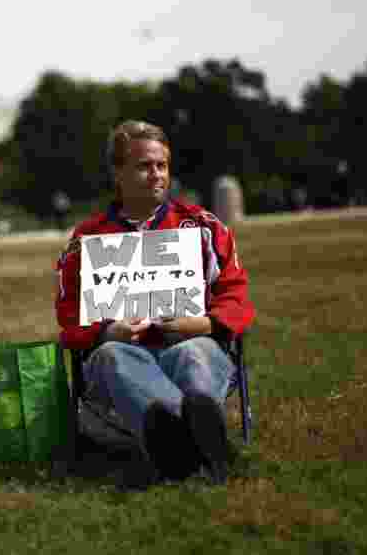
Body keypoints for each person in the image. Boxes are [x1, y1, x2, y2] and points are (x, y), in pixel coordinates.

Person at [54, 120, 255, 488]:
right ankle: (199, 442)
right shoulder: (87, 239)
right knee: (114, 355)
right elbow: (69, 320)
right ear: (118, 173)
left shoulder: (203, 228)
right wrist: (106, 330)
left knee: (193, 354)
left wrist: (202, 324)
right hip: (123, 355)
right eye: (144, 166)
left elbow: (237, 299)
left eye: (162, 165)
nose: (156, 175)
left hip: (193, 343)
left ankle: (179, 447)